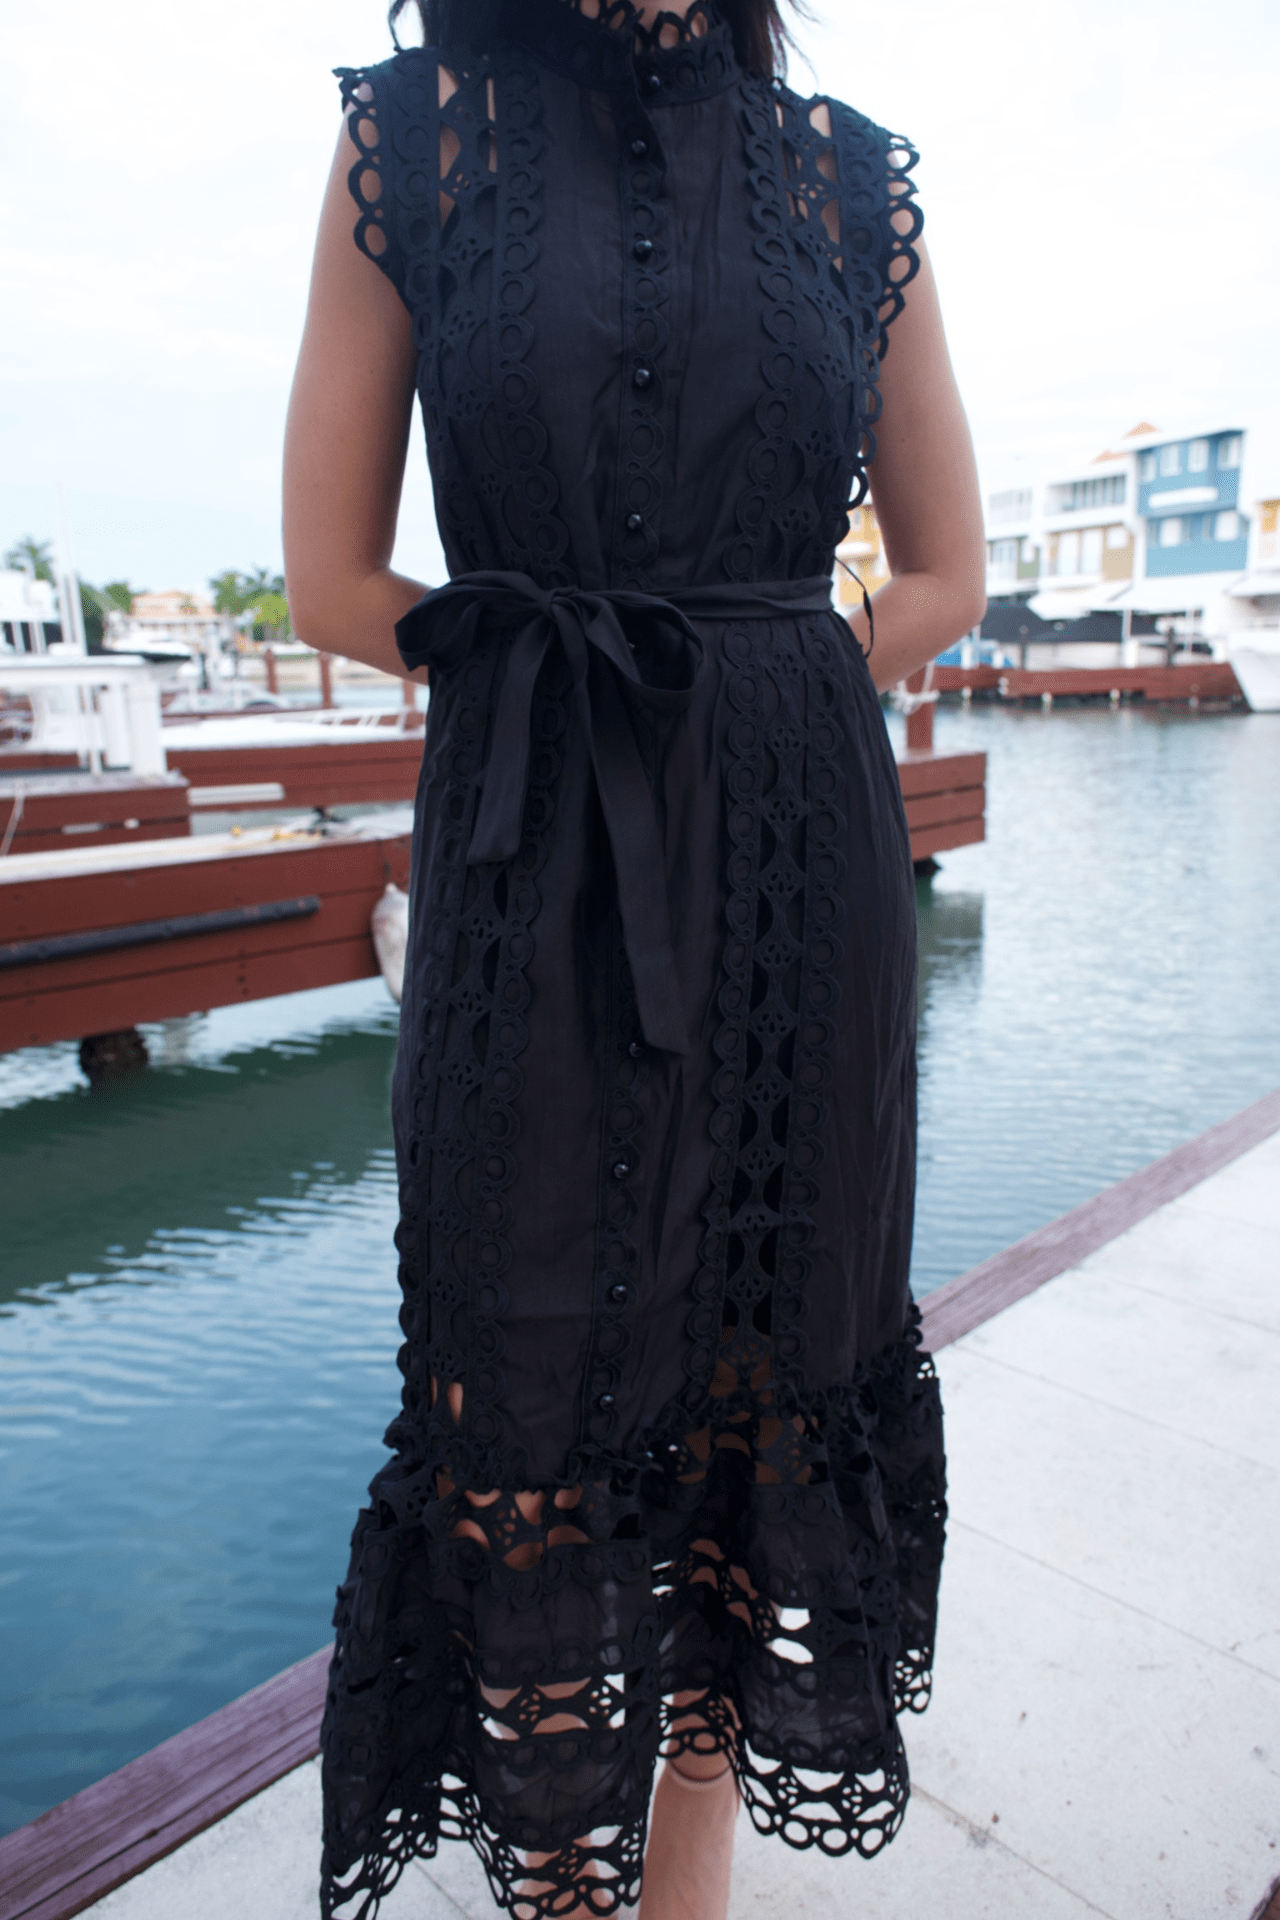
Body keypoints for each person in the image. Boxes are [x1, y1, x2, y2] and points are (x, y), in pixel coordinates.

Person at [283, 0, 984, 1913]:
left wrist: (773, 676)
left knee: (754, 1433)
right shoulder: (419, 137)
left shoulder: (847, 178)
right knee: (520, 1427)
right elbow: (332, 576)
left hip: (796, 879)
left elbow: (947, 573)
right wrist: (559, 670)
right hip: (533, 855)